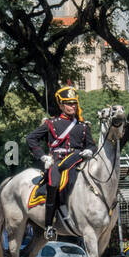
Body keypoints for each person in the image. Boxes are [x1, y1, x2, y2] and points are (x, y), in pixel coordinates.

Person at [24, 85, 97, 240]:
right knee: (54, 183)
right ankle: (49, 225)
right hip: (57, 161)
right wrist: (43, 156)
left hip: (78, 160)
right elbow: (30, 138)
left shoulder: (83, 126)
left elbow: (91, 144)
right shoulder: (51, 124)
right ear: (61, 105)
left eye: (74, 103)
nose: (72, 106)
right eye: (69, 103)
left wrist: (90, 150)